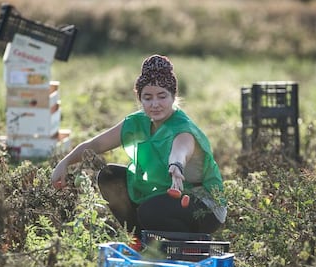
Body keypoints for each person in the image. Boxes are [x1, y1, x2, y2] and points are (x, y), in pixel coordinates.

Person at [51, 54, 227, 241]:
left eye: (162, 96)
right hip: (166, 196)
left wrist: (176, 166)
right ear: (139, 98)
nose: (155, 104)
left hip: (205, 207)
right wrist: (65, 162)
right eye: (148, 98)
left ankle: (181, 248)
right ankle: (140, 242)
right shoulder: (137, 122)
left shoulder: (182, 127)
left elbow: (182, 147)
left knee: (150, 211)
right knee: (110, 177)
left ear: (174, 96)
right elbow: (95, 145)